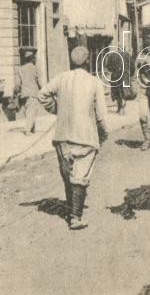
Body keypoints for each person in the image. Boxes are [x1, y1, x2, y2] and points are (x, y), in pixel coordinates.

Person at [38, 46, 110, 230]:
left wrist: (57, 110)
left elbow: (42, 95)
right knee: (80, 177)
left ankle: (71, 210)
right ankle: (75, 217)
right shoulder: (94, 82)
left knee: (68, 175)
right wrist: (103, 133)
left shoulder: (62, 78)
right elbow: (101, 115)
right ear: (87, 62)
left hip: (62, 136)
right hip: (85, 136)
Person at [14, 50, 40, 135]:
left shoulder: (20, 69)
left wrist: (16, 94)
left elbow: (17, 84)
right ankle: (28, 130)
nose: (35, 60)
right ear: (31, 59)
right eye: (34, 58)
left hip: (24, 94)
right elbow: (39, 81)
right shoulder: (34, 68)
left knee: (28, 111)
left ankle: (32, 129)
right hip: (33, 93)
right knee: (32, 111)